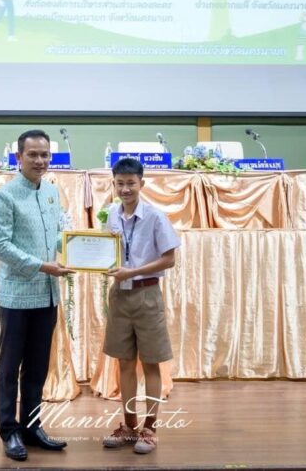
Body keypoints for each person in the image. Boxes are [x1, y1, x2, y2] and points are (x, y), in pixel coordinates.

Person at [0, 129, 73, 461]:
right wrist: (41, 266)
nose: (40, 160)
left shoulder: (51, 192)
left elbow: (60, 233)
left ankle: (32, 426)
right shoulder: (4, 196)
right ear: (19, 157)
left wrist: (78, 249)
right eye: (33, 154)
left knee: (38, 368)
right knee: (10, 368)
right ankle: (9, 431)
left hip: (47, 295)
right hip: (16, 297)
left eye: (45, 154)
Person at [101, 157, 180, 455]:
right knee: (124, 363)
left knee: (150, 362)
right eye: (120, 183)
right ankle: (129, 426)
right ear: (114, 183)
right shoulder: (111, 214)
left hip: (147, 294)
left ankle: (151, 428)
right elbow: (107, 251)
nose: (125, 189)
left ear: (141, 184)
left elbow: (169, 259)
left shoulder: (156, 217)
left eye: (131, 183)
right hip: (119, 296)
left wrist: (132, 272)